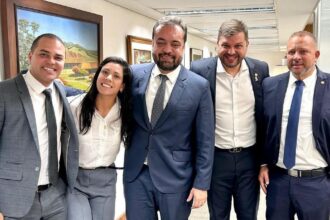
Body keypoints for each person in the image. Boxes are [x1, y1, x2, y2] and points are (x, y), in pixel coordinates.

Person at [123, 16, 215, 220]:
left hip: (177, 177)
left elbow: (205, 140)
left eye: (175, 44)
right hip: (136, 174)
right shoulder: (133, 75)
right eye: (161, 42)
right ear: (153, 42)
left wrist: (201, 183)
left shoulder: (198, 86)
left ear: (183, 47)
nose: (167, 50)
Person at [190, 19, 269, 220]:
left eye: (238, 46)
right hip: (216, 160)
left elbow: (264, 118)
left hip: (249, 159)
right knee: (218, 215)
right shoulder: (199, 71)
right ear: (217, 44)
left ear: (247, 45)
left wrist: (263, 162)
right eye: (226, 45)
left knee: (248, 215)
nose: (231, 51)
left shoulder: (260, 70)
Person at [0, 33, 79, 219]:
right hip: (15, 199)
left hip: (56, 195)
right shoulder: (4, 92)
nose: (51, 61)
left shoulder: (59, 90)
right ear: (30, 56)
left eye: (58, 57)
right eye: (44, 54)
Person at [258, 31, 330, 219]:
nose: (296, 57)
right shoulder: (270, 85)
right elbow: (263, 127)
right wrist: (263, 163)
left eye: (303, 51)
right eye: (291, 52)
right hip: (279, 180)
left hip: (317, 183)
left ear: (316, 55)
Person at [66, 56, 132, 220]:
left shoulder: (125, 113)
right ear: (98, 76)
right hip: (76, 181)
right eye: (105, 72)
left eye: (116, 76)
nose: (108, 78)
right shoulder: (74, 106)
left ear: (122, 85)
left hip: (106, 182)